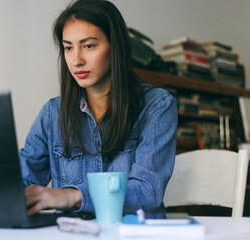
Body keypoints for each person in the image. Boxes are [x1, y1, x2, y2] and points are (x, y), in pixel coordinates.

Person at [19, 0, 177, 219]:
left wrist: (71, 196)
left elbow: (146, 192)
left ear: (115, 46)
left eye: (89, 45)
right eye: (68, 48)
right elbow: (22, 181)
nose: (76, 60)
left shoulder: (157, 106)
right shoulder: (52, 113)